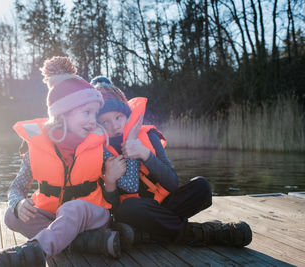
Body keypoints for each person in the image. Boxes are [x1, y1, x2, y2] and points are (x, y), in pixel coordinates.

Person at [0, 57, 134, 267]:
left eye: (94, 113)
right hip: (52, 215)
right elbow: (16, 187)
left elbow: (123, 192)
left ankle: (29, 256)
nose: (93, 121)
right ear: (63, 114)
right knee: (11, 216)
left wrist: (111, 179)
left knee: (72, 209)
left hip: (93, 215)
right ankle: (85, 243)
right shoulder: (37, 146)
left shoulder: (99, 145)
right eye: (87, 112)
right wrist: (18, 203)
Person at [92, 76, 252, 247]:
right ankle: (207, 233)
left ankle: (146, 235)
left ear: (126, 114)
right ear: (97, 125)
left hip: (164, 206)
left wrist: (145, 154)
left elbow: (173, 183)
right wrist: (109, 181)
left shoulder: (149, 136)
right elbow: (113, 207)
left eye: (118, 117)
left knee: (202, 186)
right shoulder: (98, 152)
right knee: (128, 208)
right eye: (105, 122)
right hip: (134, 213)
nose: (114, 126)